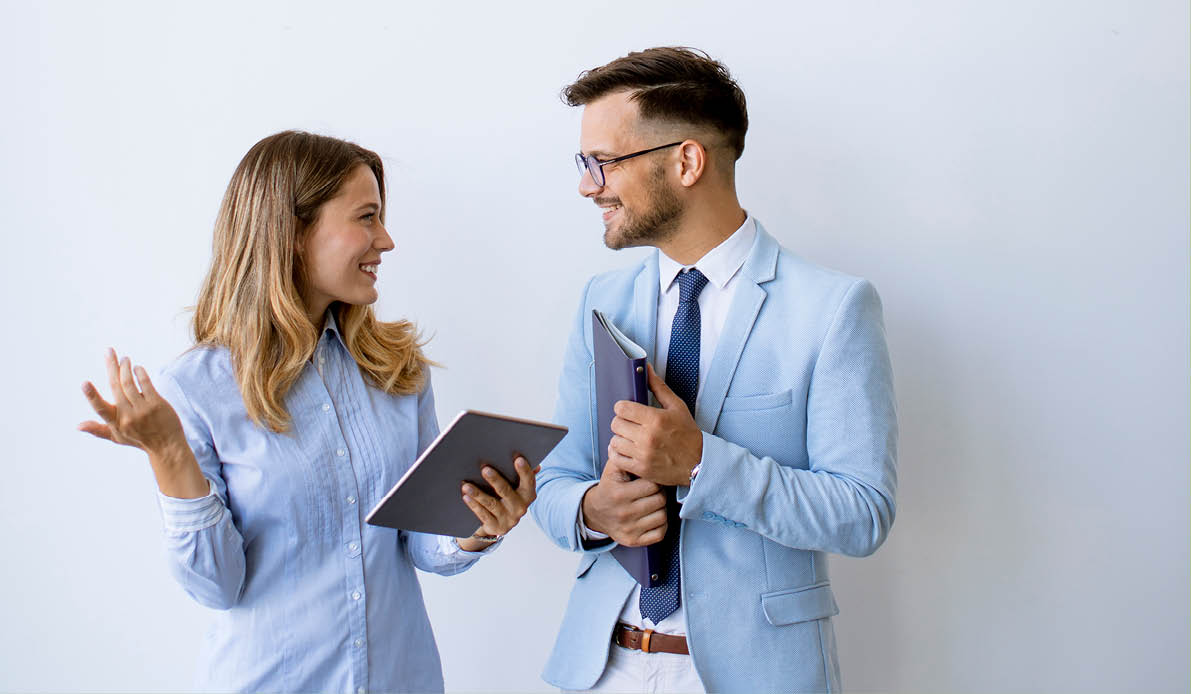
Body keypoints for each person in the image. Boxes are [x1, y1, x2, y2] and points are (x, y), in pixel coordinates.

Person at [78, 131, 537, 693]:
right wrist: (168, 452)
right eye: (366, 217)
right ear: (294, 234)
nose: (386, 240)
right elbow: (216, 587)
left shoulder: (396, 369)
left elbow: (420, 544)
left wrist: (475, 527)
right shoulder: (195, 390)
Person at [531, 47, 898, 693]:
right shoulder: (601, 300)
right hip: (601, 667)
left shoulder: (832, 309)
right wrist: (593, 508)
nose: (588, 186)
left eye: (603, 162)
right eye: (583, 164)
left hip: (752, 676)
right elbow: (557, 478)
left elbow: (861, 512)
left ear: (686, 160)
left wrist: (701, 464)